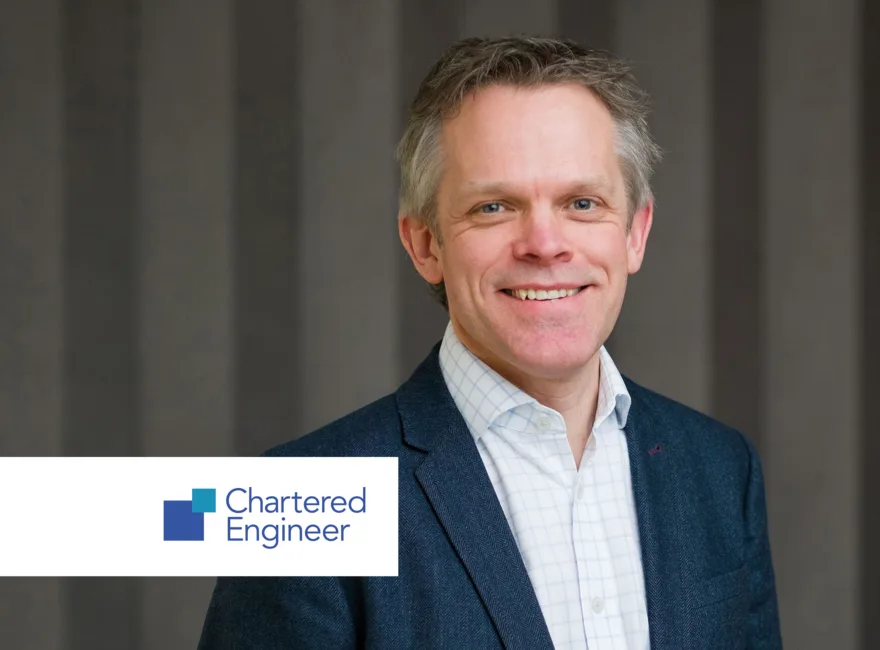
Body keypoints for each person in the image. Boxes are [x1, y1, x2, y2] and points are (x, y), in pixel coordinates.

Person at [198, 36, 782, 650]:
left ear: (635, 234)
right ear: (425, 245)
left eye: (582, 202)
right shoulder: (303, 500)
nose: (544, 243)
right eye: (494, 206)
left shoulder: (719, 469)